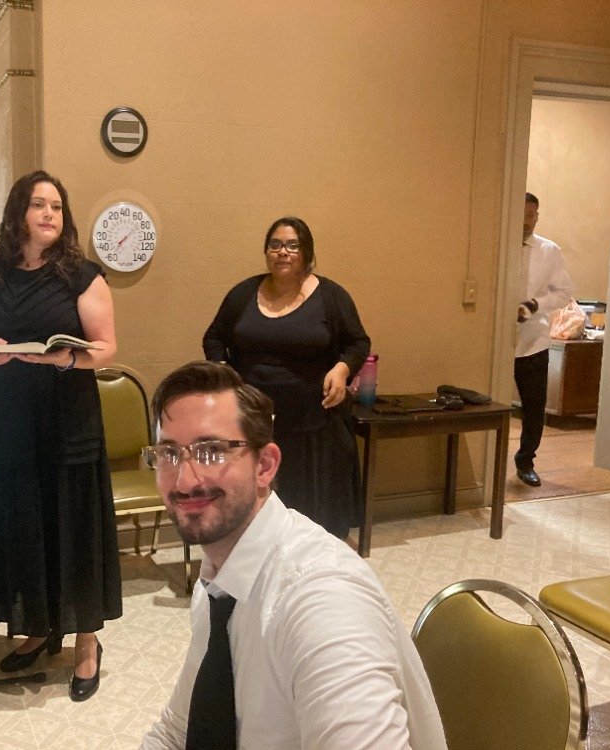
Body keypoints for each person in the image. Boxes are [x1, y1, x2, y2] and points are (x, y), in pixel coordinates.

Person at [139, 361, 447, 750]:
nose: (184, 480)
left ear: (264, 465)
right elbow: (176, 731)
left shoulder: (324, 602)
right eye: (169, 454)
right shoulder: (218, 584)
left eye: (212, 451)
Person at [0, 170, 121, 702]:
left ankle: (87, 641)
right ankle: (41, 627)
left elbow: (107, 347)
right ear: (18, 212)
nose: (49, 214)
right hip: (5, 420)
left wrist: (60, 355)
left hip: (65, 416)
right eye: (39, 204)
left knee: (72, 522)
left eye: (57, 207)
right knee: (22, 521)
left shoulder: (82, 276)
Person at [202, 217, 370, 539]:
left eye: (292, 245)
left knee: (310, 515)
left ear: (306, 252)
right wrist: (224, 375)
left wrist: (342, 368)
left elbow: (358, 342)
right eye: (275, 244)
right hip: (254, 421)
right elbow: (214, 337)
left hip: (313, 423)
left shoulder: (331, 297)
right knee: (258, 510)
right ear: (266, 251)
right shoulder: (243, 294)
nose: (283, 252)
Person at [514, 193, 574, 487]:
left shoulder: (550, 251)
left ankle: (526, 461)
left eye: (534, 214)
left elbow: (564, 293)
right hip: (498, 342)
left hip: (534, 340)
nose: (529, 220)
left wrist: (536, 304)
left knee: (534, 407)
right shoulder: (497, 243)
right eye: (524, 213)